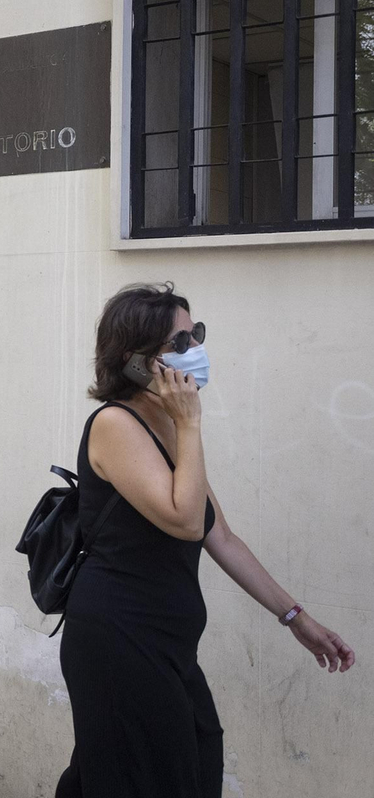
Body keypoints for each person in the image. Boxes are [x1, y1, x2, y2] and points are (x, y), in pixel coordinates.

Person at [56, 284, 356, 798]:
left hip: (166, 642)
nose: (194, 347)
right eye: (179, 341)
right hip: (118, 638)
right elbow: (185, 521)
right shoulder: (115, 424)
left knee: (191, 758)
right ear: (135, 362)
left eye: (195, 333)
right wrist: (191, 423)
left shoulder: (169, 427)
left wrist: (296, 619)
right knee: (142, 777)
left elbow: (223, 536)